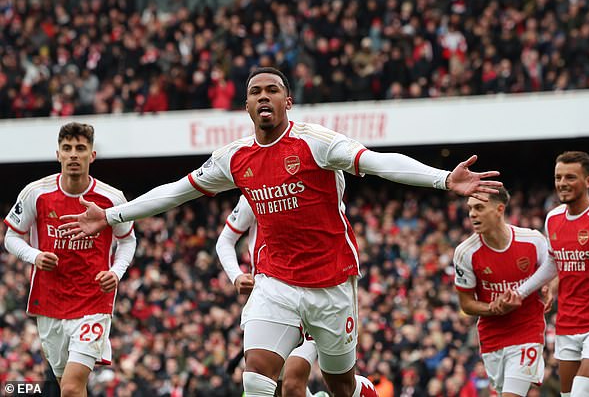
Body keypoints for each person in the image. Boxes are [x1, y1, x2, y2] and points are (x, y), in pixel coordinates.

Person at [59, 67, 501, 397]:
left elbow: (379, 162)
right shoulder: (234, 158)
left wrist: (445, 179)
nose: (264, 97)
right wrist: (113, 216)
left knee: (340, 385)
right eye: (255, 92)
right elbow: (177, 191)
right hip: (275, 281)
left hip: (331, 282)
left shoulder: (315, 142)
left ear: (288, 101)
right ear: (247, 106)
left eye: (273, 90)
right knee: (256, 376)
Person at [3, 123, 136, 397]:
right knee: (68, 385)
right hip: (50, 302)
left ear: (92, 155)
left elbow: (127, 241)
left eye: (80, 148)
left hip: (94, 301)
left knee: (72, 387)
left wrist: (116, 272)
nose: (73, 154)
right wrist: (35, 256)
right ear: (58, 154)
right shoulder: (36, 193)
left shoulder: (111, 198)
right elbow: (11, 238)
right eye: (67, 149)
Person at [497, 151, 589, 397]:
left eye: (570, 177)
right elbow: (553, 263)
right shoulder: (553, 218)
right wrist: (520, 292)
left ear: (588, 181)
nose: (562, 183)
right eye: (558, 177)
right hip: (567, 324)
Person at [216, 195, 327, 397]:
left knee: (292, 384)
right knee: (273, 384)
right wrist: (236, 276)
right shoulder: (255, 192)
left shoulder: (318, 187)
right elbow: (225, 240)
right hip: (272, 300)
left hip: (312, 298)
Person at [453, 186, 550, 396]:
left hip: (528, 330)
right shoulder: (465, 253)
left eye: (479, 207)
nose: (472, 214)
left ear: (499, 209)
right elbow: (466, 304)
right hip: (493, 337)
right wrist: (493, 308)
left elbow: (553, 270)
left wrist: (548, 288)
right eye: (470, 208)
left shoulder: (533, 240)